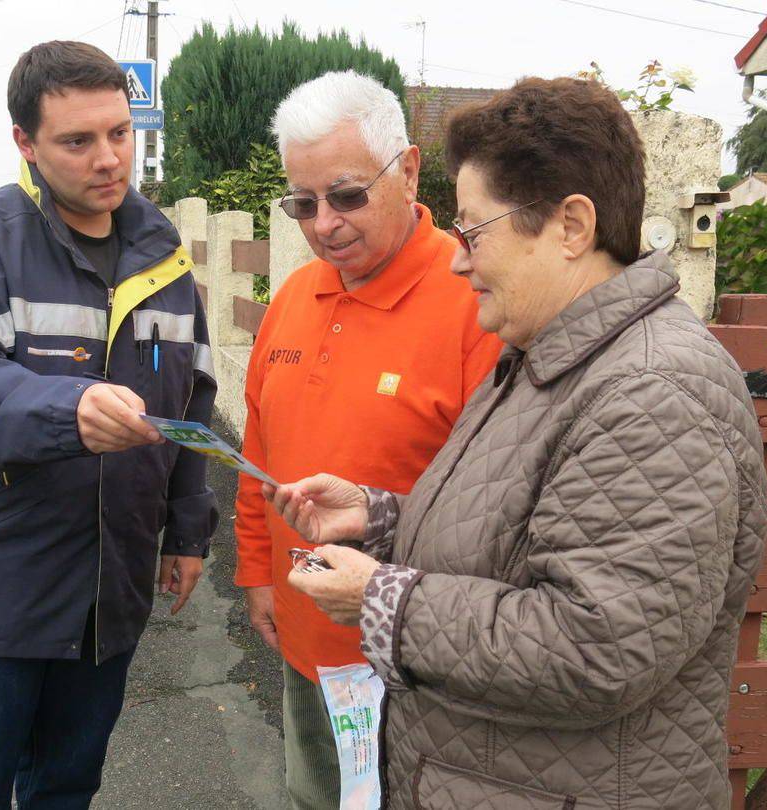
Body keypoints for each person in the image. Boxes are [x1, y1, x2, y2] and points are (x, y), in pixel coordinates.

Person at [267, 76, 767, 810]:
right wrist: (378, 517)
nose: (459, 259)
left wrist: (380, 598)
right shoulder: (546, 358)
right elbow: (517, 538)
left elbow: (596, 644)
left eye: (473, 232)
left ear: (570, 227)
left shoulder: (655, 391)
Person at [0, 41, 217, 809]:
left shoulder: (164, 256)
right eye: (77, 141)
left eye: (119, 133)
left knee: (68, 786)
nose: (108, 159)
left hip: (107, 595)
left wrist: (187, 534)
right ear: (25, 144)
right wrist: (68, 409)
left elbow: (192, 399)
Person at [234, 70, 502, 809]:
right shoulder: (292, 297)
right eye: (303, 204)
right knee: (317, 793)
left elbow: (503, 503)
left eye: (347, 195)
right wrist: (256, 571)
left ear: (409, 169)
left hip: (423, 661)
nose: (325, 224)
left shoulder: (476, 301)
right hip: (306, 639)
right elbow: (256, 449)